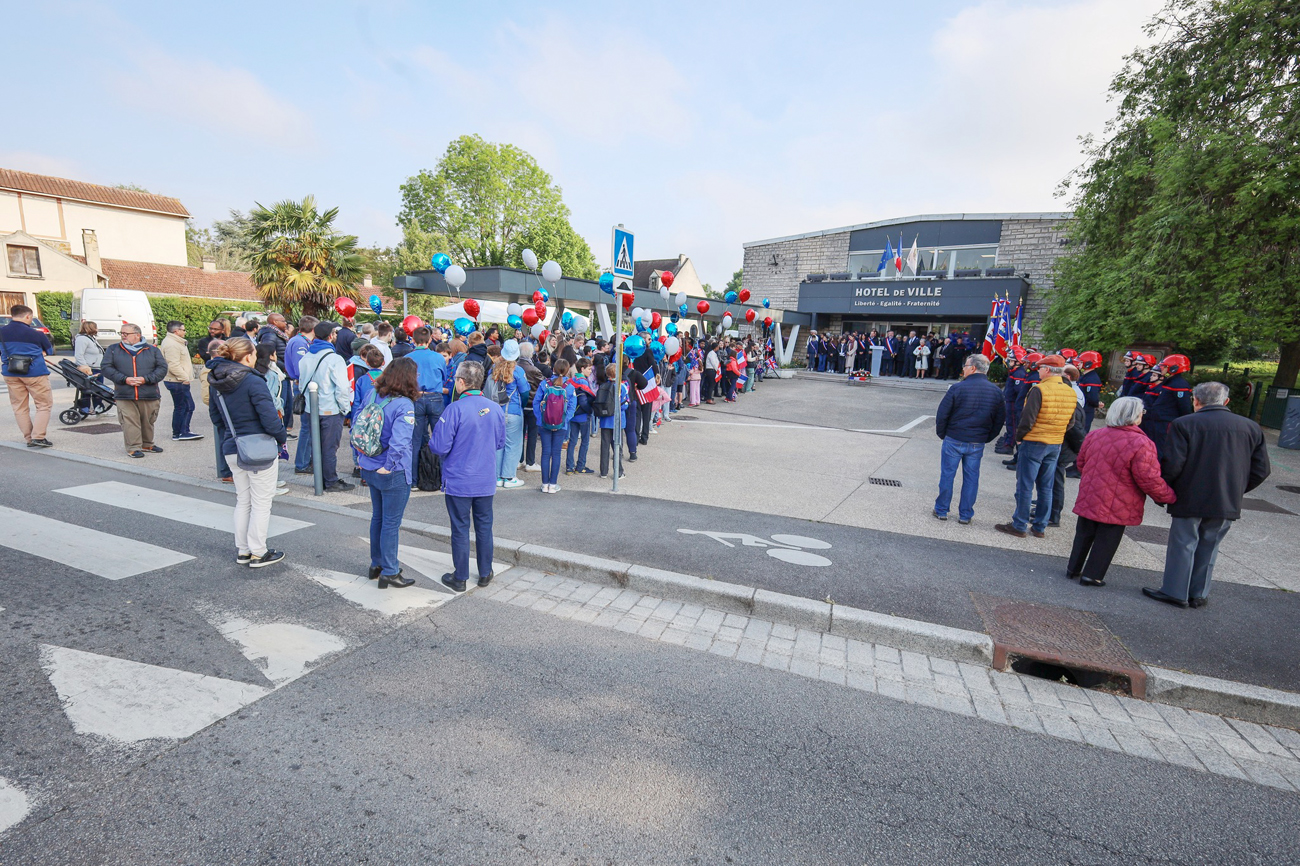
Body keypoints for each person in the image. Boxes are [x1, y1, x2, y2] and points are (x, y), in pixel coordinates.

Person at [1143, 381, 1270, 608]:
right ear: (1226, 401)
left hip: (1189, 495)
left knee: (1183, 545)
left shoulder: (1183, 424)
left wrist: (1165, 490)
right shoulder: (1251, 427)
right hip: (1226, 498)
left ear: (1195, 400)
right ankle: (1198, 593)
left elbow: (1173, 464)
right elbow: (1261, 470)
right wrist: (1237, 488)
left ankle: (1175, 591)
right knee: (1210, 546)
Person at [1065, 397, 1176, 587]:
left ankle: (1073, 568)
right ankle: (1092, 575)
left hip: (1091, 493)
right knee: (1107, 538)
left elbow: (1081, 463)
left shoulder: (1095, 435)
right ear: (1135, 416)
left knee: (1084, 533)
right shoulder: (1142, 442)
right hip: (1120, 498)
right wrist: (1168, 496)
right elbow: (1148, 477)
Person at [207, 337, 287, 568]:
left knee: (243, 500)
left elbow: (215, 417)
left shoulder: (217, 380)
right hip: (258, 447)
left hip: (232, 444)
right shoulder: (253, 381)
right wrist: (281, 438)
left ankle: (243, 550)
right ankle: (258, 552)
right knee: (262, 502)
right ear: (248, 356)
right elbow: (270, 418)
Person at [430, 360, 506, 592]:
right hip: (484, 478)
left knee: (460, 528)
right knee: (484, 526)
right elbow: (500, 442)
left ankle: (460, 576)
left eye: (456, 380)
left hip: (459, 479)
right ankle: (485, 572)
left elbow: (439, 447)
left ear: (462, 382)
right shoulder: (495, 408)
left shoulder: (454, 409)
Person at [996, 355, 1083, 539]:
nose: (1038, 371)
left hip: (1035, 441)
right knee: (1046, 486)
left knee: (1025, 486)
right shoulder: (1070, 391)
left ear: (1048, 370)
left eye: (1041, 368)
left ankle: (1019, 524)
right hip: (1055, 443)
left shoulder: (1040, 390)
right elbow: (1071, 422)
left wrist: (1019, 438)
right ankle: (1040, 526)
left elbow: (1027, 419)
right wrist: (1057, 433)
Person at [351, 356, 419, 588]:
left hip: (369, 464)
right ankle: (390, 570)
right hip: (392, 471)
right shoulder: (404, 405)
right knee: (391, 523)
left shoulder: (372, 394)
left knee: (378, 517)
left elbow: (357, 423)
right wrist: (388, 466)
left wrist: (361, 457)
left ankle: (376, 564)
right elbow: (400, 443)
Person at [932, 353, 1006, 524]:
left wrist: (943, 433)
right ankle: (965, 514)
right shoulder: (995, 391)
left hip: (955, 437)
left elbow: (943, 414)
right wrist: (987, 437)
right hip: (976, 440)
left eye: (965, 366)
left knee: (947, 475)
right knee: (971, 478)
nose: (963, 369)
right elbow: (999, 420)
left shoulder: (958, 388)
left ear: (972, 368)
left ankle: (942, 510)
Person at [295, 321, 353, 491]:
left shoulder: (306, 356)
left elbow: (301, 383)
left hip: (310, 408)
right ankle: (330, 480)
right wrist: (344, 408)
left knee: (316, 445)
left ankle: (321, 478)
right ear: (330, 336)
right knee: (329, 448)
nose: (336, 336)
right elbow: (342, 387)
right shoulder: (335, 359)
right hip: (330, 409)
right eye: (335, 333)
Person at [101, 322, 169, 458]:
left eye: (126, 334)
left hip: (149, 393)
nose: (123, 336)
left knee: (148, 420)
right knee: (129, 421)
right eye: (122, 333)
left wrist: (146, 379)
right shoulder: (113, 349)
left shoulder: (153, 350)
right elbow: (106, 368)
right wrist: (124, 379)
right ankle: (133, 447)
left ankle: (147, 443)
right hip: (125, 393)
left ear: (137, 335)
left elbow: (162, 369)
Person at [0, 304, 56, 447]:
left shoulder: (1, 332)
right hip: (35, 373)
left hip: (10, 373)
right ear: (27, 316)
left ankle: (29, 438)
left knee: (19, 407)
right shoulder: (37, 334)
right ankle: (38, 436)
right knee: (43, 405)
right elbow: (49, 351)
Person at [406, 326, 447, 486]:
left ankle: (414, 481)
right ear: (430, 340)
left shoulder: (408, 358)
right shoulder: (437, 357)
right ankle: (443, 479)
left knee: (415, 441)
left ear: (413, 340)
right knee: (440, 439)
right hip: (435, 397)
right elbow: (443, 376)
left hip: (416, 398)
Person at [533, 358, 576, 493]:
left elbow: (536, 403)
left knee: (545, 453)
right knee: (556, 454)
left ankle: (544, 484)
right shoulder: (569, 387)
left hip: (544, 423)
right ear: (567, 370)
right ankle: (553, 484)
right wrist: (564, 420)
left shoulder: (544, 384)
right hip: (561, 425)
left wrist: (541, 418)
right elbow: (572, 407)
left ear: (553, 369)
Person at [491, 341, 529, 489]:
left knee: (498, 444)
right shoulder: (518, 371)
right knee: (513, 445)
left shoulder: (493, 369)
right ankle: (509, 476)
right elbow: (525, 392)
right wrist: (521, 405)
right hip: (512, 411)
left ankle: (497, 476)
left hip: (496, 411)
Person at [1139, 354, 1194, 457]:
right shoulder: (1170, 382)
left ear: (1174, 368)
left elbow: (1184, 407)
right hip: (1158, 421)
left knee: (1161, 448)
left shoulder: (1179, 384)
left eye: (1164, 367)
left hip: (1166, 422)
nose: (1162, 369)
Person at [160, 320, 203, 442]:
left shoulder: (176, 342)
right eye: (183, 330)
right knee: (185, 406)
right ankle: (181, 432)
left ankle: (182, 431)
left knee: (184, 406)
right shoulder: (172, 344)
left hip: (178, 380)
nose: (185, 332)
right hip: (177, 381)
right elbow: (173, 364)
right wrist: (184, 378)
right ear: (176, 331)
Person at [288, 315, 319, 469]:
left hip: (303, 385)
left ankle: (306, 461)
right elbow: (300, 367)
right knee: (307, 427)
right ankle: (302, 463)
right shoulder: (300, 343)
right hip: (303, 386)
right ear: (313, 329)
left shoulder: (299, 341)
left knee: (309, 427)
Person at [566, 357, 595, 474]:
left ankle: (569, 467)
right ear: (582, 368)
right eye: (589, 369)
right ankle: (580, 466)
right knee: (585, 441)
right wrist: (590, 410)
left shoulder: (572, 380)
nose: (590, 371)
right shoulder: (583, 382)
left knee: (572, 441)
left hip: (573, 414)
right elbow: (583, 401)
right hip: (583, 415)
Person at [73, 320, 107, 416]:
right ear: (91, 328)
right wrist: (85, 368)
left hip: (97, 367)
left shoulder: (91, 338)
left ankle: (98, 407)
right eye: (96, 327)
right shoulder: (82, 339)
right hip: (90, 368)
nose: (97, 329)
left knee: (98, 389)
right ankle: (85, 408)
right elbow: (79, 355)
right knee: (88, 390)